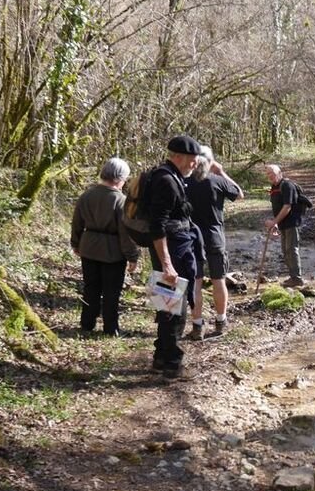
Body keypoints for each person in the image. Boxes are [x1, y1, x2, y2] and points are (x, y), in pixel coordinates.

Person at [140, 134, 203, 378]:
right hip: (171, 254)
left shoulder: (170, 176)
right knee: (173, 309)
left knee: (167, 305)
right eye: (192, 159)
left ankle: (160, 358)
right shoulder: (166, 181)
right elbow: (157, 226)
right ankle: (172, 365)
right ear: (177, 157)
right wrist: (167, 264)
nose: (195, 164)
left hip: (175, 250)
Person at [70, 157, 139, 337]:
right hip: (112, 252)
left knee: (90, 287)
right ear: (120, 178)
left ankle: (87, 323)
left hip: (89, 248)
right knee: (111, 291)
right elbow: (125, 233)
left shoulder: (86, 195)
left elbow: (76, 222)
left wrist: (76, 243)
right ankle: (111, 328)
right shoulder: (121, 201)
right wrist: (132, 256)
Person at [187, 146, 244, 340]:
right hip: (214, 237)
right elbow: (239, 194)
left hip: (192, 237)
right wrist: (221, 172)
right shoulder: (217, 180)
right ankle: (221, 321)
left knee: (196, 283)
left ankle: (197, 326)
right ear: (210, 162)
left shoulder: (185, 182)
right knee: (218, 280)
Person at [264, 164, 305, 287]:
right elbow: (277, 207)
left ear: (279, 173)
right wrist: (276, 224)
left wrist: (274, 222)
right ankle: (293, 277)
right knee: (285, 251)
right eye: (268, 174)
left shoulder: (287, 185)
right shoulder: (274, 187)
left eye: (272, 173)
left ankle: (297, 278)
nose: (270, 176)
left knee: (291, 250)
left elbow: (287, 206)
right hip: (282, 223)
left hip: (291, 223)